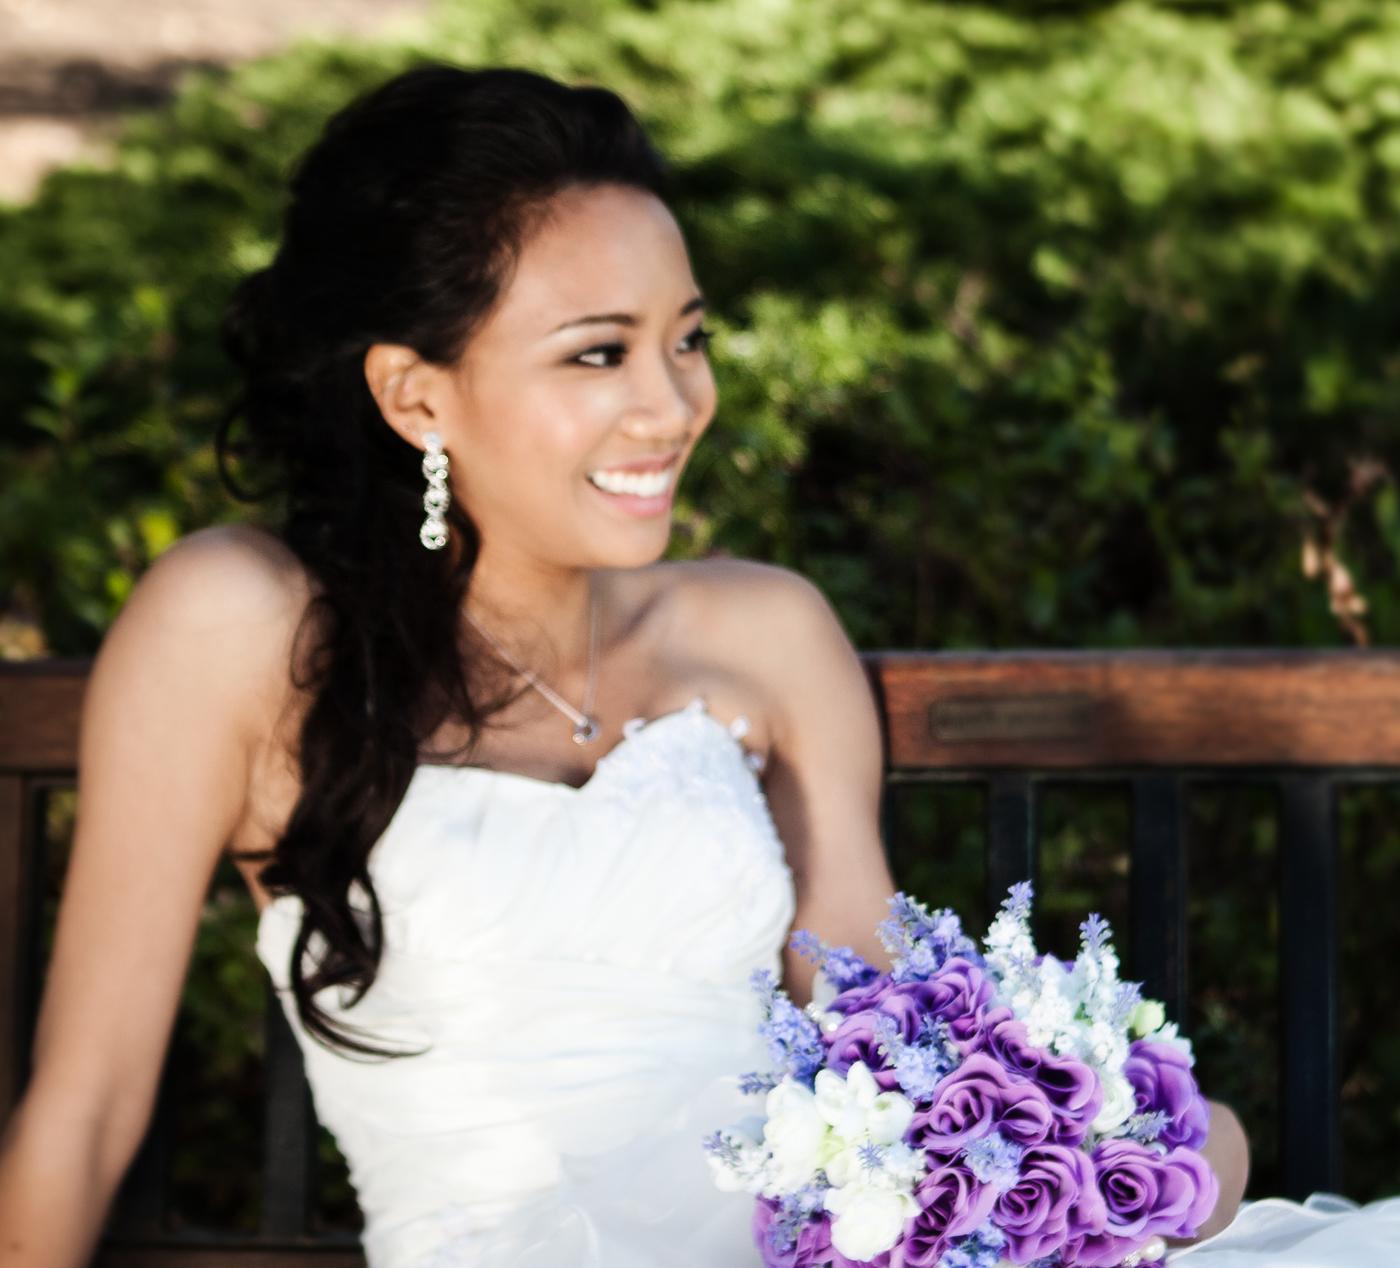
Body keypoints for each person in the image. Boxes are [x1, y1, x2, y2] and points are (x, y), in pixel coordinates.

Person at [8, 59, 1389, 1267]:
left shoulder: (762, 633)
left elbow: (874, 1031)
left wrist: (1092, 1135)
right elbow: (88, 1107)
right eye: (598, 353)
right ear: (415, 394)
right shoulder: (239, 624)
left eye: (687, 339)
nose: (673, 405)